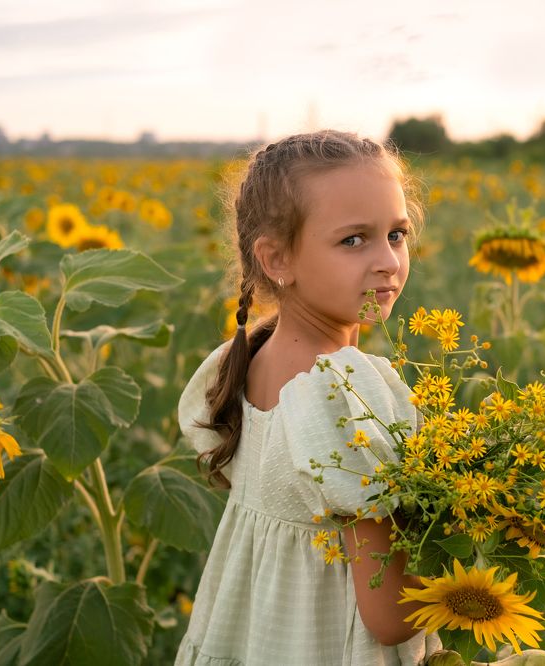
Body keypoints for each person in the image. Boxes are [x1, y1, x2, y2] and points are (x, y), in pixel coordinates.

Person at [173, 130, 442, 665]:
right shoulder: (345, 396)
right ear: (276, 259)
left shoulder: (242, 359)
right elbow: (390, 617)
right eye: (353, 240)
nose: (388, 261)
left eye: (396, 234)